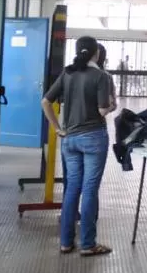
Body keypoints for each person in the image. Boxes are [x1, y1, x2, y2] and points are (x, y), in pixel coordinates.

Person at [41, 36, 115, 257]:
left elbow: (45, 101)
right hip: (93, 138)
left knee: (72, 188)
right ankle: (88, 244)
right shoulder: (101, 76)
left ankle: (65, 242)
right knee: (90, 189)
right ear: (97, 53)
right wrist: (112, 105)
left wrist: (57, 128)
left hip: (70, 139)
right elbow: (103, 110)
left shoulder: (68, 73)